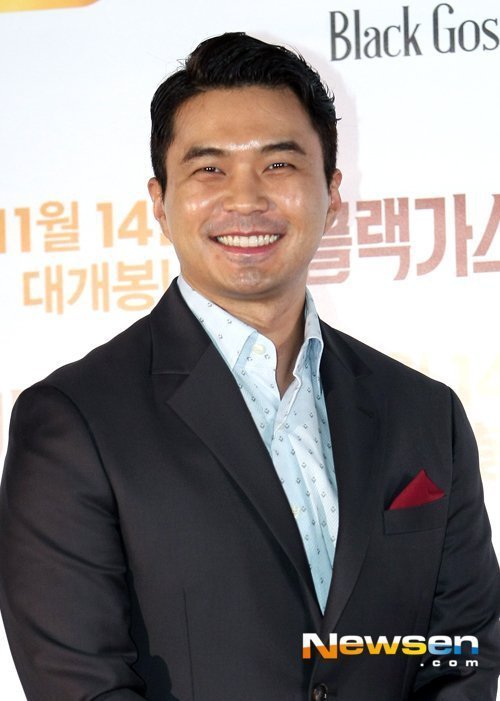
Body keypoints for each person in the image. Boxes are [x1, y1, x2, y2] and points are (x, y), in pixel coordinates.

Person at [0, 32, 498, 701]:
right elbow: (82, 685)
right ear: (159, 202)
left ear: (332, 192)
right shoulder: (74, 422)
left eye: (278, 164)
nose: (245, 199)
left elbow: (463, 650)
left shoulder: (424, 414)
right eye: (209, 169)